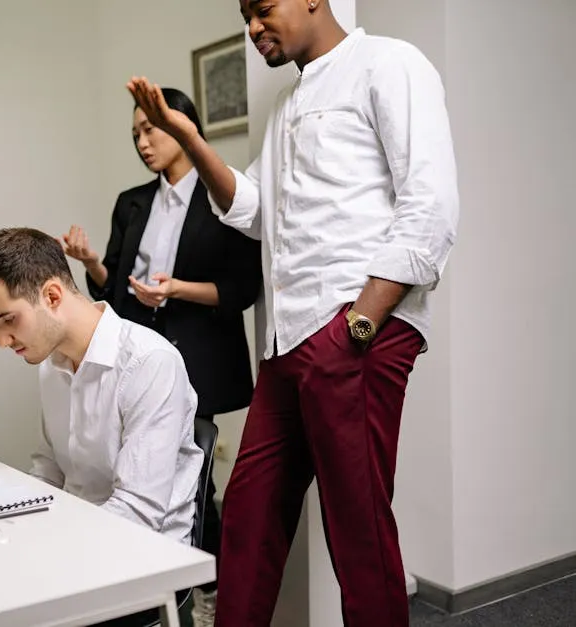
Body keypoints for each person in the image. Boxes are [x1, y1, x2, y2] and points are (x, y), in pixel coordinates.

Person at [128, 0, 460, 624]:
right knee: (249, 524)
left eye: (262, 9)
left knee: (357, 532)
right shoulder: (286, 106)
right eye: (245, 16)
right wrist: (190, 138)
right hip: (287, 344)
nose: (252, 27)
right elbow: (252, 209)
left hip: (355, 332)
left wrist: (359, 325)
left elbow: (431, 207)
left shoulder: (388, 64)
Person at [61, 86, 260, 625]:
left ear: (181, 125)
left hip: (199, 352)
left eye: (150, 129)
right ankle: (148, 585)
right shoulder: (132, 202)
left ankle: (204, 593)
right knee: (136, 475)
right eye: (134, 136)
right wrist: (92, 263)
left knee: (192, 483)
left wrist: (178, 290)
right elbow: (117, 293)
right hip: (139, 352)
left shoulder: (220, 195)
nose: (143, 142)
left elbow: (242, 289)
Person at [0, 227, 203, 624]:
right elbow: (49, 468)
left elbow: (138, 513)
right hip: (75, 546)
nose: (2, 340)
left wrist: (43, 548)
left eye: (8, 319)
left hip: (140, 562)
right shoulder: (52, 363)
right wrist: (6, 521)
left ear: (52, 296)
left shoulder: (149, 363)